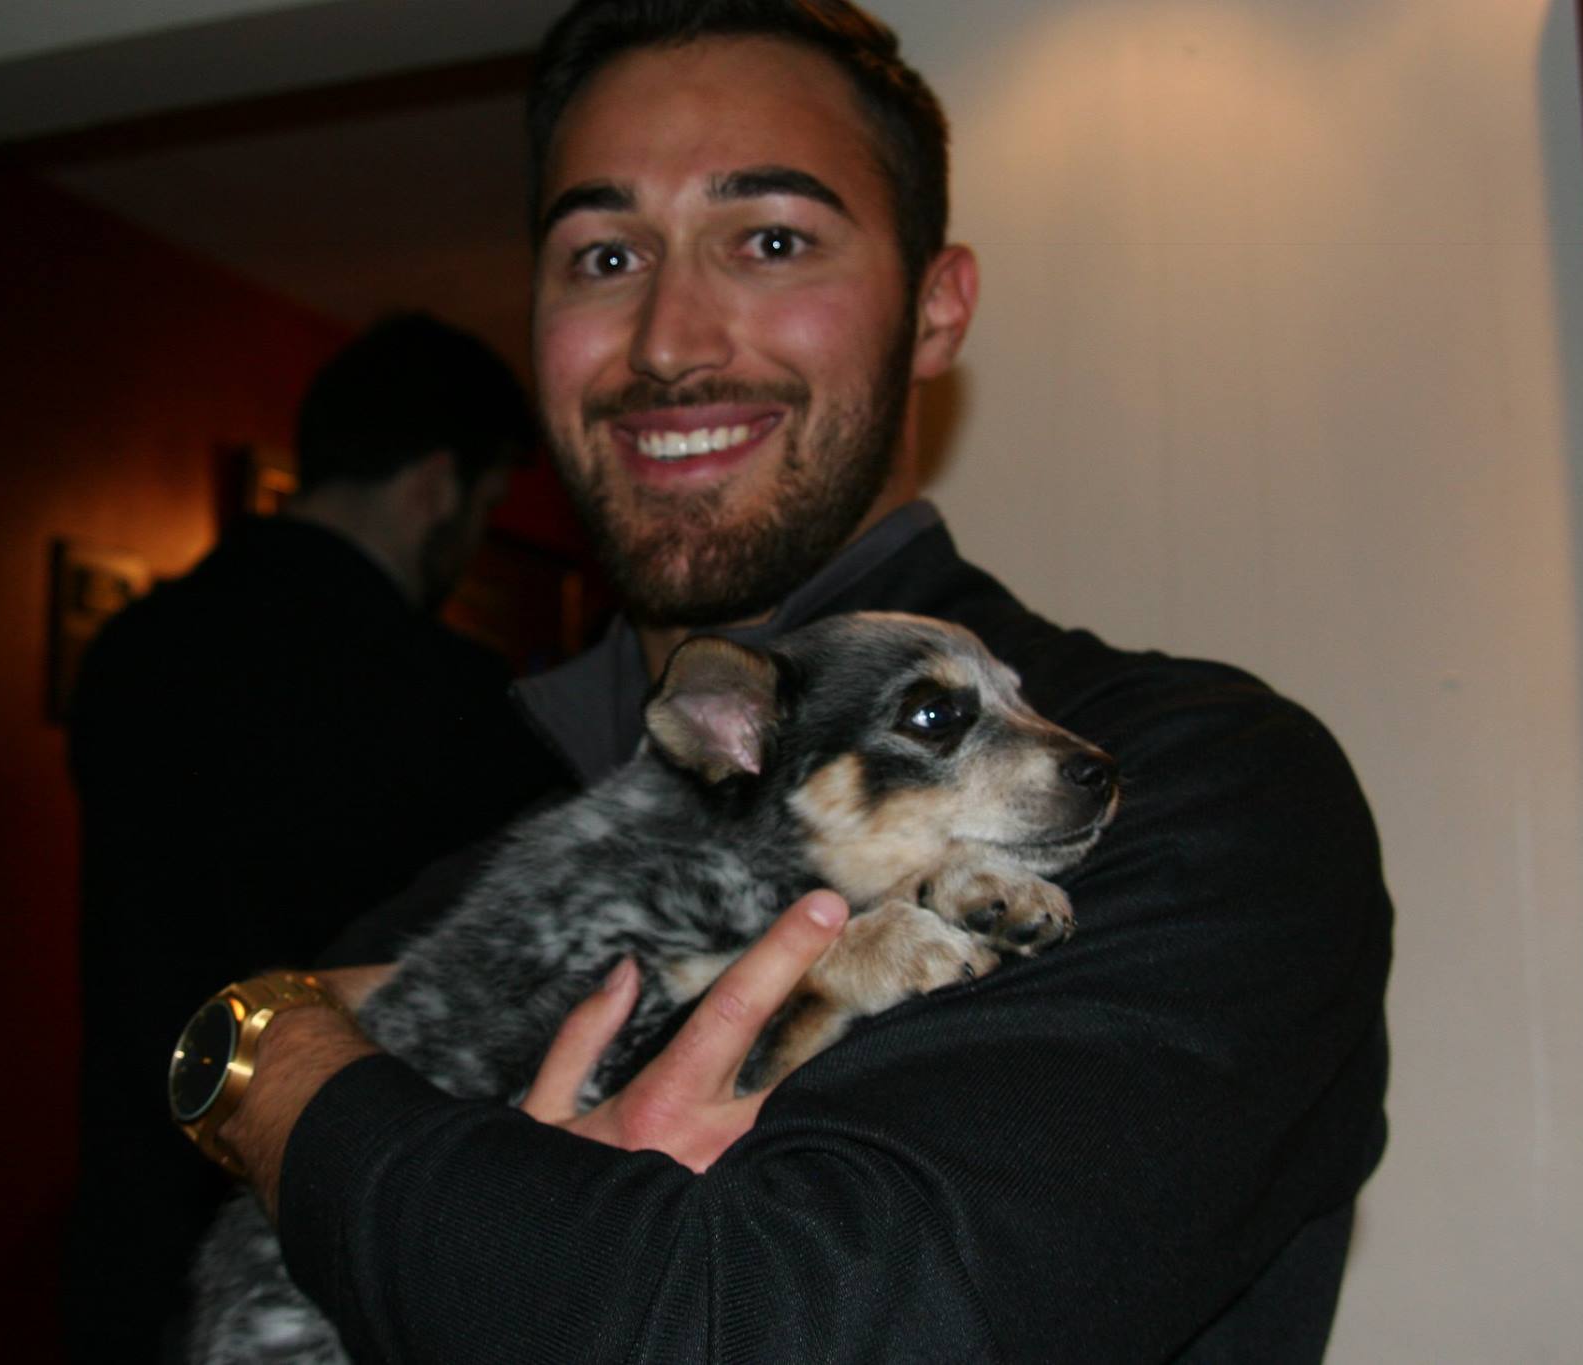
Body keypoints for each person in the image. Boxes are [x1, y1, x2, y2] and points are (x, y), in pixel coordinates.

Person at [199, 2, 1392, 1360]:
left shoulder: (1188, 786)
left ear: (936, 310)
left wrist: (279, 1076)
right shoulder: (441, 846)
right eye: (602, 253)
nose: (666, 339)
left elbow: (782, 1325)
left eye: (771, 240)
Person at [62, 314, 567, 1362]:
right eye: (477, 509)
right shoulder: (450, 700)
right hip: (329, 1228)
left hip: (133, 1195)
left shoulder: (130, 647)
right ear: (434, 486)